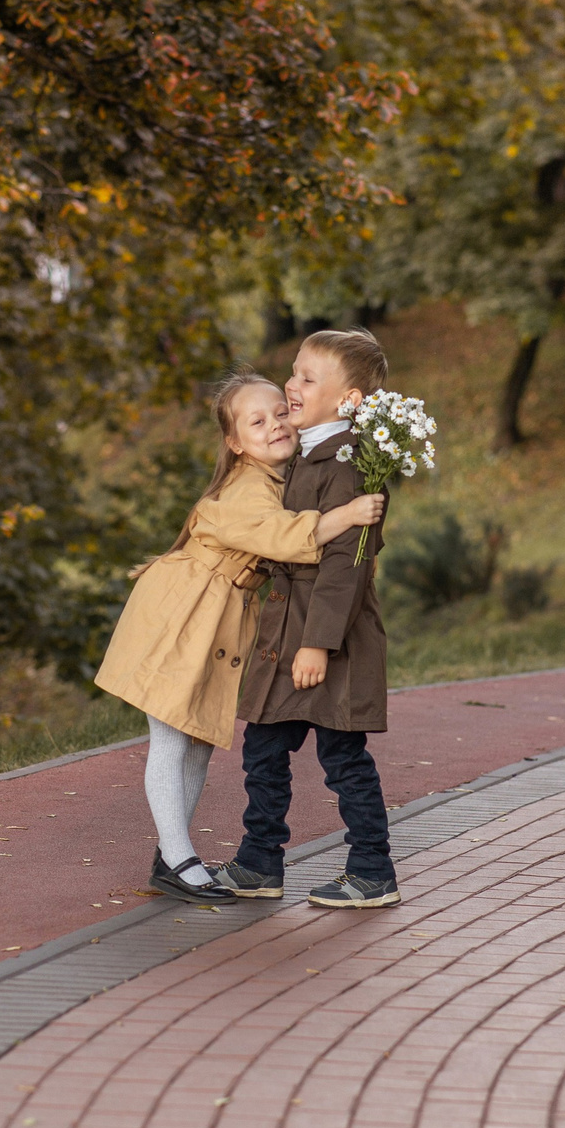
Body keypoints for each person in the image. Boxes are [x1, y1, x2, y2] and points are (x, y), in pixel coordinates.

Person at [93, 372, 384, 901]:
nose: (274, 425)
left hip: (219, 613)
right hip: (181, 610)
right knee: (172, 737)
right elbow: (283, 537)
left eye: (280, 413)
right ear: (235, 443)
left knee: (198, 738)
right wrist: (347, 513)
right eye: (257, 421)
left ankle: (171, 850)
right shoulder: (248, 486)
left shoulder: (286, 474)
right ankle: (178, 859)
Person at [220, 328, 400, 909]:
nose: (291, 386)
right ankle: (259, 861)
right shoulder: (306, 451)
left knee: (342, 756)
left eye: (305, 378)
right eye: (294, 372)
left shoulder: (348, 465)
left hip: (326, 637)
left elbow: (347, 565)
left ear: (348, 401)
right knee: (264, 749)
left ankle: (372, 870)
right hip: (288, 632)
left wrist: (319, 644)